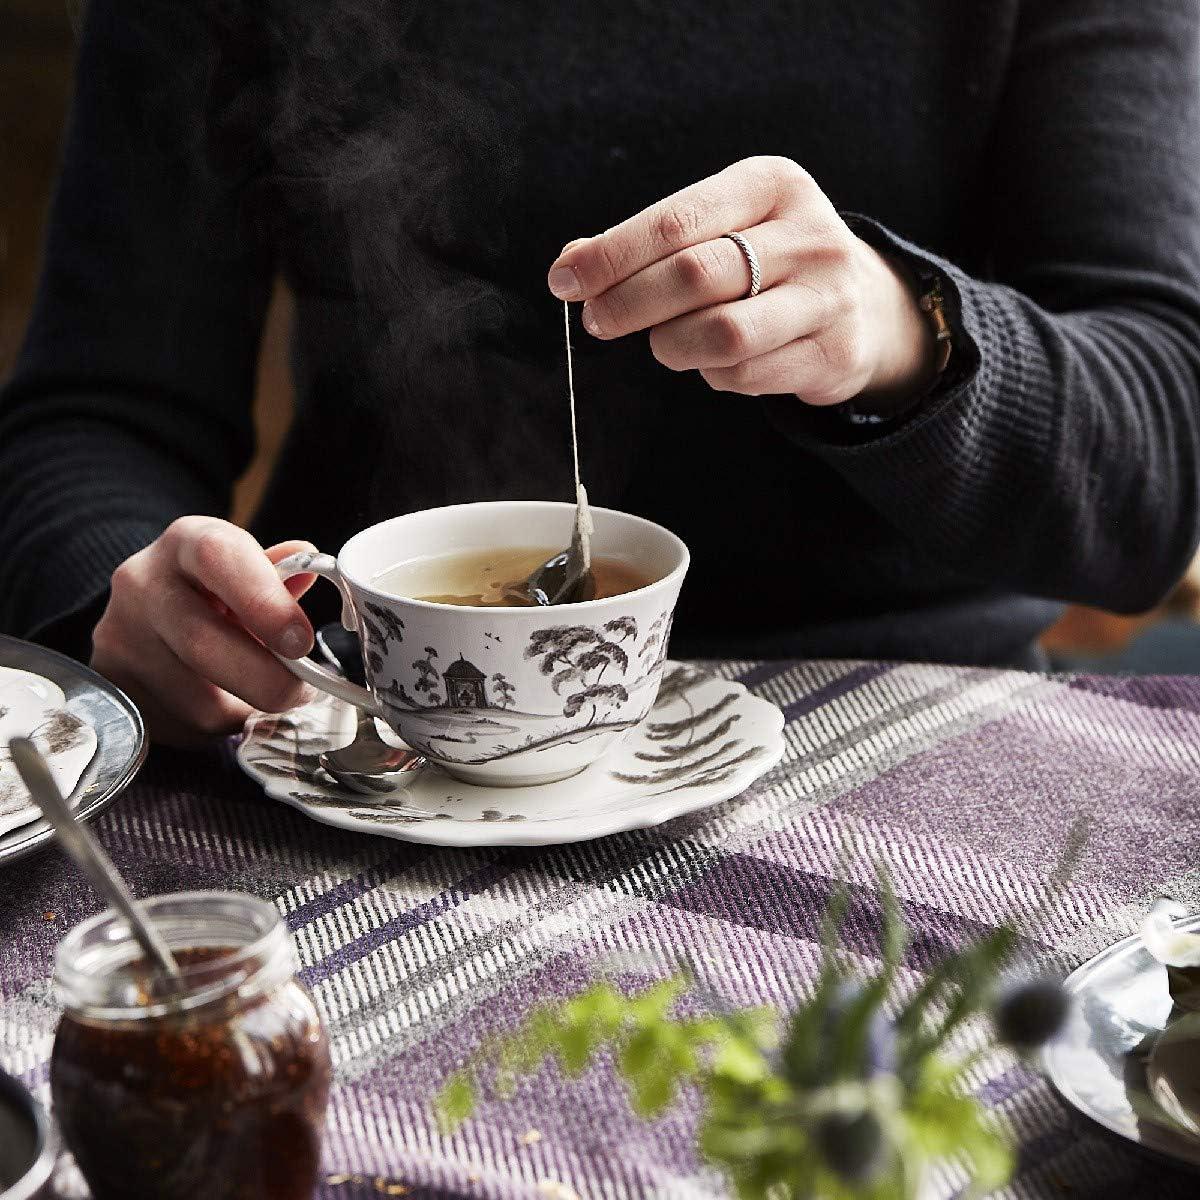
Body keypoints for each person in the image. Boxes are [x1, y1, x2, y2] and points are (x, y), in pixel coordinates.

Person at [2, 1, 1199, 745]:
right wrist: (123, 600)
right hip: (377, 730)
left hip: (914, 716)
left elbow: (1160, 460)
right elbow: (91, 414)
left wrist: (905, 337)